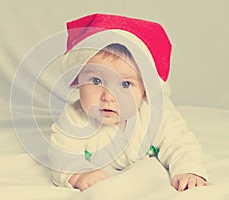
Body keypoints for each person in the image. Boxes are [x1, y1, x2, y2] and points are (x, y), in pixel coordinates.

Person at [48, 13, 210, 192]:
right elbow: (62, 153)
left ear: (145, 91)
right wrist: (78, 174)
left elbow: (180, 143)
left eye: (125, 84)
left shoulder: (156, 113)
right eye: (96, 81)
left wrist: (188, 170)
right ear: (78, 80)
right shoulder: (75, 117)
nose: (108, 97)